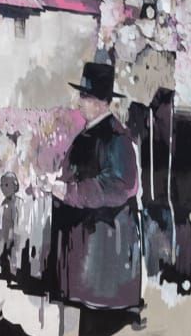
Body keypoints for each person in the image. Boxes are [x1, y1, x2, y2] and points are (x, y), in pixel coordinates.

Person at [49, 61, 142, 315]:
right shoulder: (87, 133)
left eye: (86, 96)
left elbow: (119, 186)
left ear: (103, 102)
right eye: (81, 95)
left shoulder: (115, 136)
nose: (80, 102)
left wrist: (70, 192)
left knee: (95, 321)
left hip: (103, 252)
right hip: (84, 253)